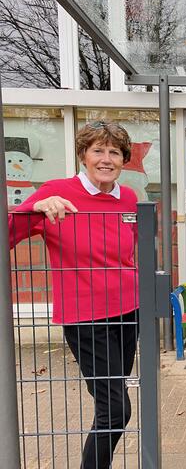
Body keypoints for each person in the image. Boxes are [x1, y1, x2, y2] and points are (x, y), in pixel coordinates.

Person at [8, 121, 139, 469]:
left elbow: (129, 249)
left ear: (123, 159)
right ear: (83, 155)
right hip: (85, 318)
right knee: (116, 408)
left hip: (129, 312)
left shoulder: (127, 197)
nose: (106, 158)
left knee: (109, 405)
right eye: (98, 150)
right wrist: (33, 207)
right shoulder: (57, 192)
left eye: (114, 152)